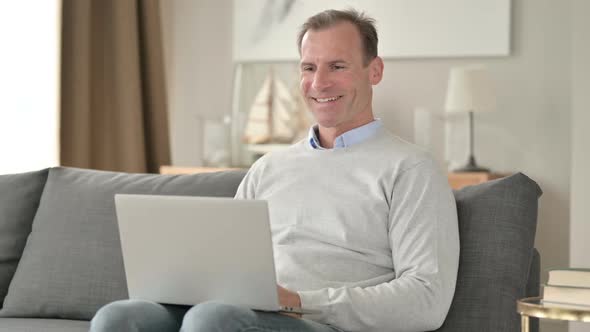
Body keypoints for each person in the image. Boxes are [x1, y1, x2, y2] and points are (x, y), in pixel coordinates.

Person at [90, 9, 459, 332]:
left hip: (323, 323)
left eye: (338, 66)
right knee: (119, 319)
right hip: (239, 312)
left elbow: (426, 299)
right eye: (309, 68)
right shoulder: (268, 168)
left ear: (374, 71)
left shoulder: (411, 168)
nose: (319, 83)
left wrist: (298, 301)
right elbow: (224, 265)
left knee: (214, 321)